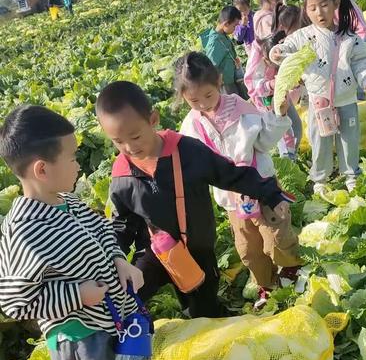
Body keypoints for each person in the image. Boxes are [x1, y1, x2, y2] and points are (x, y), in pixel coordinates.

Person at [95, 81, 292, 317]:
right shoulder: (121, 174)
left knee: (204, 310)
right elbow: (122, 222)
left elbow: (230, 174)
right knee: (128, 295)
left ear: (153, 119)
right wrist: (112, 257)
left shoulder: (187, 151)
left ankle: (205, 313)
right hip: (158, 251)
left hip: (198, 248)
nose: (129, 147)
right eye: (118, 142)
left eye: (135, 137)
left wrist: (269, 192)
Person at [0, 105, 144, 360]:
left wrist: (119, 260)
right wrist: (77, 296)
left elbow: (101, 229)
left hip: (110, 320)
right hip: (81, 341)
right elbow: (14, 302)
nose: (78, 165)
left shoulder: (67, 201)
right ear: (42, 169)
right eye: (72, 158)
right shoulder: (25, 230)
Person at [177, 52, 300, 304]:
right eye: (194, 100)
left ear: (219, 82)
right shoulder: (190, 125)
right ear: (184, 98)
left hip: (261, 188)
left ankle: (291, 270)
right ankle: (266, 284)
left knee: (276, 236)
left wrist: (278, 118)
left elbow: (264, 141)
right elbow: (191, 161)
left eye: (208, 95)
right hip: (233, 200)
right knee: (249, 249)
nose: (203, 104)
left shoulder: (241, 108)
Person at [270, 0, 366, 194]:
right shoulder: (304, 36)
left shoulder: (350, 38)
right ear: (306, 11)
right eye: (313, 8)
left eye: (324, 5)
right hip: (319, 101)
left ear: (335, 3)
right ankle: (320, 178)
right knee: (320, 141)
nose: (320, 12)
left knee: (349, 140)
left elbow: (361, 62)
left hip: (346, 99)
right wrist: (277, 51)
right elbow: (286, 47)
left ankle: (351, 175)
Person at [246, 3, 303, 160]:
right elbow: (252, 84)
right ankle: (286, 164)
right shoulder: (261, 52)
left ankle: (291, 159)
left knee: (295, 127)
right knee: (284, 134)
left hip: (281, 97)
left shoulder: (282, 43)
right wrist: (271, 84)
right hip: (267, 102)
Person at [317, 0, 366, 100]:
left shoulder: (346, 6)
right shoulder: (333, 4)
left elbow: (361, 30)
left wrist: (352, 46)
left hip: (357, 42)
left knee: (352, 70)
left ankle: (359, 98)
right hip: (344, 42)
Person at [200, 6, 249, 100]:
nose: (235, 29)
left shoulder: (222, 35)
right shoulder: (215, 42)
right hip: (225, 85)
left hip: (231, 78)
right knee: (231, 107)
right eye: (234, 26)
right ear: (226, 24)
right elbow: (211, 66)